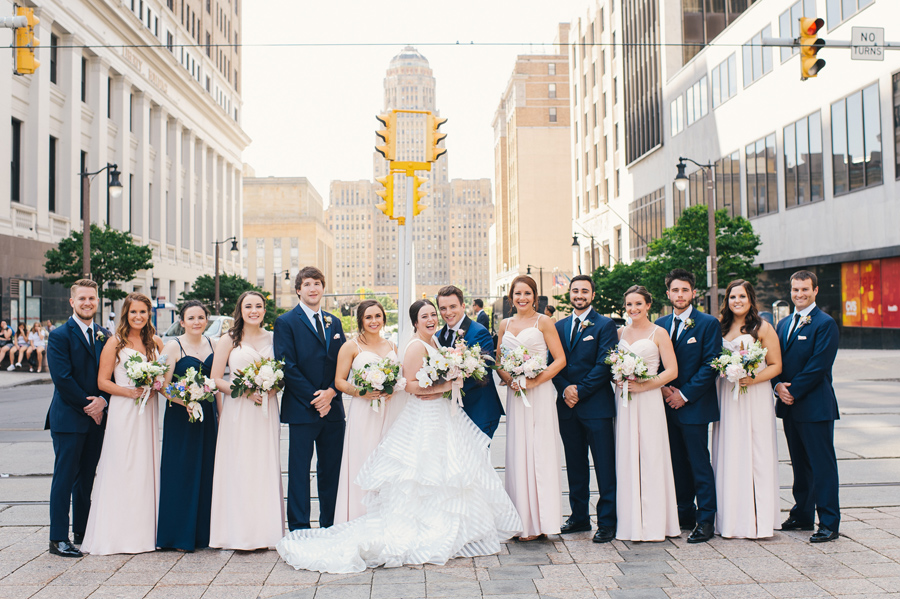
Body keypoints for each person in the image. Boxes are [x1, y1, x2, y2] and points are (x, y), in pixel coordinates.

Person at [276, 299, 522, 573]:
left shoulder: (424, 344)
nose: (431, 319)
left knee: (441, 472)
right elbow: (411, 386)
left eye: (433, 314)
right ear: (414, 322)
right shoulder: (412, 346)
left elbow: (403, 383)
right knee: (418, 475)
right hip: (396, 412)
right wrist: (444, 385)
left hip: (422, 414)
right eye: (424, 316)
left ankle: (445, 524)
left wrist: (454, 375)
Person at [81, 293, 163, 555]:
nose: (138, 317)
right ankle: (116, 534)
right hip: (124, 410)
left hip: (148, 410)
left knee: (144, 466)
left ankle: (144, 534)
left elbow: (163, 378)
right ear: (126, 314)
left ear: (149, 314)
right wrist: (130, 392)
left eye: (143, 312)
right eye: (133, 312)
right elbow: (102, 381)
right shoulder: (114, 342)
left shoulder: (155, 343)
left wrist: (155, 387)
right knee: (123, 465)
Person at [209, 291, 285, 550]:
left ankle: (266, 533)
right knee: (239, 464)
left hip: (266, 408)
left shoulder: (274, 338)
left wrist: (273, 388)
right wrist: (244, 391)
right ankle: (238, 533)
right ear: (240, 310)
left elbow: (282, 374)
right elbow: (216, 378)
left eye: (259, 306)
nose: (254, 310)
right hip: (239, 409)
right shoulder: (229, 339)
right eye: (248, 306)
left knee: (264, 464)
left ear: (265, 310)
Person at [274, 267, 346, 531]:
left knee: (331, 470)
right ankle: (300, 526)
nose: (313, 288)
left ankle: (330, 523)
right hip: (303, 409)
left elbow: (343, 361)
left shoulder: (334, 322)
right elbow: (286, 365)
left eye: (317, 283)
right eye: (307, 284)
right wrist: (316, 398)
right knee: (299, 471)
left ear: (323, 288)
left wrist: (331, 392)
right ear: (298, 290)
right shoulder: (286, 322)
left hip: (334, 409)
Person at [497, 275, 566, 541]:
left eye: (527, 293)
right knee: (518, 452)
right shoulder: (505, 324)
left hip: (539, 393)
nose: (522, 298)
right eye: (517, 294)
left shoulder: (544, 322)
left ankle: (543, 522)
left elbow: (560, 360)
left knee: (540, 451)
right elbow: (500, 361)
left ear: (535, 296)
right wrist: (510, 380)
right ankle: (521, 521)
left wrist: (534, 380)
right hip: (516, 395)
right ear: (511, 297)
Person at [655, 269, 722, 544]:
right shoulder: (659, 324)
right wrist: (663, 389)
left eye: (685, 290)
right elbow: (654, 363)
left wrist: (683, 394)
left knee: (698, 463)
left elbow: (711, 365)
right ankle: (684, 512)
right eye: (675, 290)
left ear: (693, 293)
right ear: (668, 293)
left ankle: (706, 519)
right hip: (665, 406)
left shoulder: (708, 323)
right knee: (675, 462)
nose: (680, 295)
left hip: (694, 405)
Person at [712, 280, 782, 539]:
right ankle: (731, 517)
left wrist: (752, 378)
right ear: (727, 300)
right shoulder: (719, 326)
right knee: (730, 451)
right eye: (732, 297)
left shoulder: (762, 327)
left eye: (742, 296)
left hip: (754, 394)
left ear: (751, 299)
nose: (737, 301)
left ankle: (759, 518)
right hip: (727, 396)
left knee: (756, 451)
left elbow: (775, 365)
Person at [774, 270, 841, 543]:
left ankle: (828, 522)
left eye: (804, 290)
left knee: (822, 466)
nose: (799, 294)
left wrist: (793, 391)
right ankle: (802, 515)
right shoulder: (784, 323)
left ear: (815, 291)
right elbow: (774, 359)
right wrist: (777, 386)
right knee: (800, 465)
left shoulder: (825, 323)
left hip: (815, 407)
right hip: (790, 406)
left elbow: (819, 365)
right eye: (795, 290)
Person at [44, 280, 110, 558]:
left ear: (97, 301)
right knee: (65, 478)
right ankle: (58, 538)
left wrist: (104, 401)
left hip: (97, 419)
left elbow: (111, 375)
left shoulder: (105, 335)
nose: (87, 303)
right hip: (69, 420)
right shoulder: (59, 335)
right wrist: (90, 405)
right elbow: (63, 379)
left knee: (86, 479)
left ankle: (82, 531)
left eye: (91, 298)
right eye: (81, 298)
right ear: (72, 302)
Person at [552, 275, 618, 543]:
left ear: (593, 294)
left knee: (604, 466)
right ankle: (579, 516)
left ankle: (607, 522)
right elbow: (552, 362)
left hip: (596, 406)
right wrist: (565, 388)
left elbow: (605, 363)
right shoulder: (558, 326)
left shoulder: (606, 324)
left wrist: (579, 390)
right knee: (575, 465)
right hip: (567, 407)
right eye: (575, 290)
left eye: (584, 291)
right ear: (569, 294)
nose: (579, 295)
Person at [615, 286, 680, 541]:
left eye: (638, 304)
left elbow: (671, 371)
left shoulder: (659, 333)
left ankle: (655, 523)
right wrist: (618, 379)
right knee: (628, 455)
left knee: (652, 457)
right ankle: (631, 522)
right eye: (629, 305)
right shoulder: (619, 332)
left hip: (650, 399)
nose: (633, 309)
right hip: (625, 401)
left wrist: (644, 384)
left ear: (648, 305)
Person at [333, 300, 402, 524]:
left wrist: (392, 389)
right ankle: (358, 517)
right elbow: (339, 381)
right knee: (364, 461)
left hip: (390, 412)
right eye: (369, 317)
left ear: (384, 318)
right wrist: (360, 392)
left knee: (387, 462)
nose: (374, 321)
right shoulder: (351, 347)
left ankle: (385, 520)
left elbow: (400, 378)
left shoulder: (392, 346)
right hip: (364, 413)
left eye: (378, 316)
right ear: (361, 320)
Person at [157, 301, 218, 551]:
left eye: (201, 317)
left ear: (207, 320)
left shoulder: (214, 344)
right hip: (181, 417)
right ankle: (177, 535)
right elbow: (161, 384)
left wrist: (220, 415)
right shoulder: (173, 346)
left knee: (207, 471)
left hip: (208, 416)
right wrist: (187, 401)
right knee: (180, 472)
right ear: (182, 321)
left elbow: (216, 383)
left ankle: (203, 534)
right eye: (191, 318)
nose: (196, 322)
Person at [436, 286, 504, 439]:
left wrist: (439, 389)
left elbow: (483, 373)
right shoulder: (437, 335)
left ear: (463, 306)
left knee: (478, 462)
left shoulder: (478, 332)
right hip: (450, 415)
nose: (448, 312)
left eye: (453, 306)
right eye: (443, 308)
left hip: (478, 412)